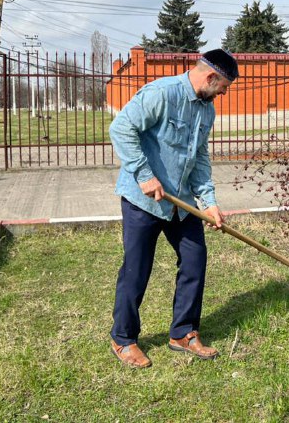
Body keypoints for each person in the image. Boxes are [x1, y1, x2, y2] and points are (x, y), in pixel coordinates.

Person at [108, 48, 239, 368]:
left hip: (181, 204)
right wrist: (145, 176)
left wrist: (209, 203)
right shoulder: (161, 93)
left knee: (195, 260)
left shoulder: (206, 111)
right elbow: (121, 129)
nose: (223, 93)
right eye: (223, 86)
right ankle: (123, 339)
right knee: (136, 271)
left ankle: (183, 332)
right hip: (144, 200)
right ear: (211, 77)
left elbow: (199, 161)